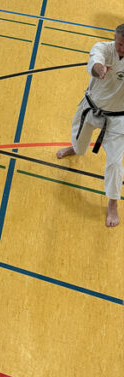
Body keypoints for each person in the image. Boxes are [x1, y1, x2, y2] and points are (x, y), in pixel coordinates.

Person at [57, 25, 124, 228]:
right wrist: (99, 70)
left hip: (118, 119)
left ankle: (113, 203)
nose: (122, 49)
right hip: (91, 107)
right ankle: (76, 149)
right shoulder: (104, 48)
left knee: (114, 162)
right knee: (78, 140)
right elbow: (95, 61)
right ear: (115, 39)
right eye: (120, 44)